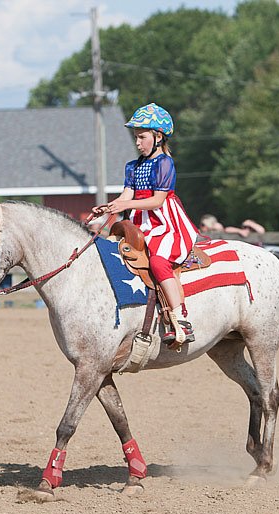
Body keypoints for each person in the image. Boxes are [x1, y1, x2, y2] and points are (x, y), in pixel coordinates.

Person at [92, 102, 198, 345]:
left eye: (142, 137)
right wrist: (110, 206)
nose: (137, 142)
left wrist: (125, 206)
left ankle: (180, 317)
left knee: (159, 262)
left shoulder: (164, 164)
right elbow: (127, 196)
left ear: (158, 137)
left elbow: (157, 200)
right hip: (138, 223)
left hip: (165, 223)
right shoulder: (133, 166)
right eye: (136, 137)